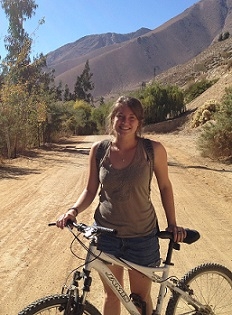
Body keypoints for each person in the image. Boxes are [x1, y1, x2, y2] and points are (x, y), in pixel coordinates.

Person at [56, 96, 186, 315]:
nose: (125, 122)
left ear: (139, 122)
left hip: (141, 236)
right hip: (106, 235)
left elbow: (165, 187)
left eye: (131, 117)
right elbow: (90, 190)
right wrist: (73, 210)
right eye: (120, 116)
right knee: (113, 295)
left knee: (140, 300)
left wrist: (172, 224)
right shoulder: (99, 150)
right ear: (112, 119)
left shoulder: (153, 150)